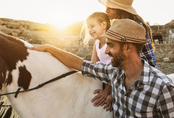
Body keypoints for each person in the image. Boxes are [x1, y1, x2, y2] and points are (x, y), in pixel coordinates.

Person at [30, 19, 174, 117]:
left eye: (110, 45)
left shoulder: (162, 88)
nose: (105, 51)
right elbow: (81, 64)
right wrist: (49, 48)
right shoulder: (115, 74)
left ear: (128, 48)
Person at [81, 12, 113, 111]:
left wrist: (107, 91)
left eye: (92, 26)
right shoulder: (97, 44)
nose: (90, 30)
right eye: (88, 27)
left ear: (104, 25)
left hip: (113, 81)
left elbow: (118, 71)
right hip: (103, 76)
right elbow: (93, 66)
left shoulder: (111, 41)